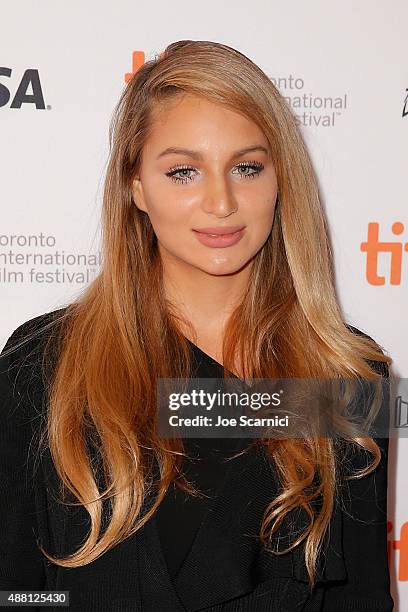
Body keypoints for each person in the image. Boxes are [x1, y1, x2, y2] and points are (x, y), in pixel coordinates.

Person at [0, 40, 393, 611]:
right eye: (184, 171)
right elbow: (15, 590)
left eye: (247, 167)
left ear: (281, 181)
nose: (221, 202)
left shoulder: (347, 373)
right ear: (136, 187)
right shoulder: (45, 363)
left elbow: (360, 598)